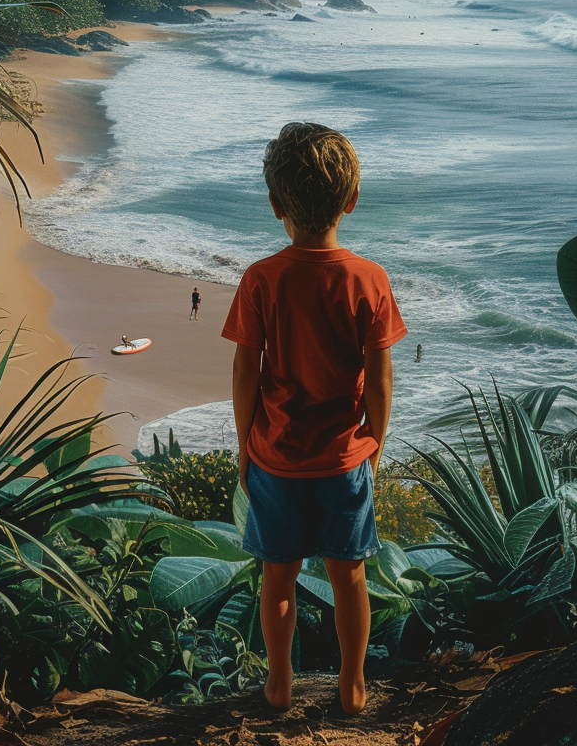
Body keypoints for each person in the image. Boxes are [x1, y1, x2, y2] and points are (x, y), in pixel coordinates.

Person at [222, 122, 406, 715]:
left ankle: (280, 682)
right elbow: (379, 375)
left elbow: (245, 370)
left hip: (276, 454)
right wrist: (375, 437)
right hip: (343, 457)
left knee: (278, 576)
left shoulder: (262, 278)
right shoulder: (368, 278)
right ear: (351, 201)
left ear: (275, 204)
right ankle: (352, 685)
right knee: (348, 575)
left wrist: (245, 442)